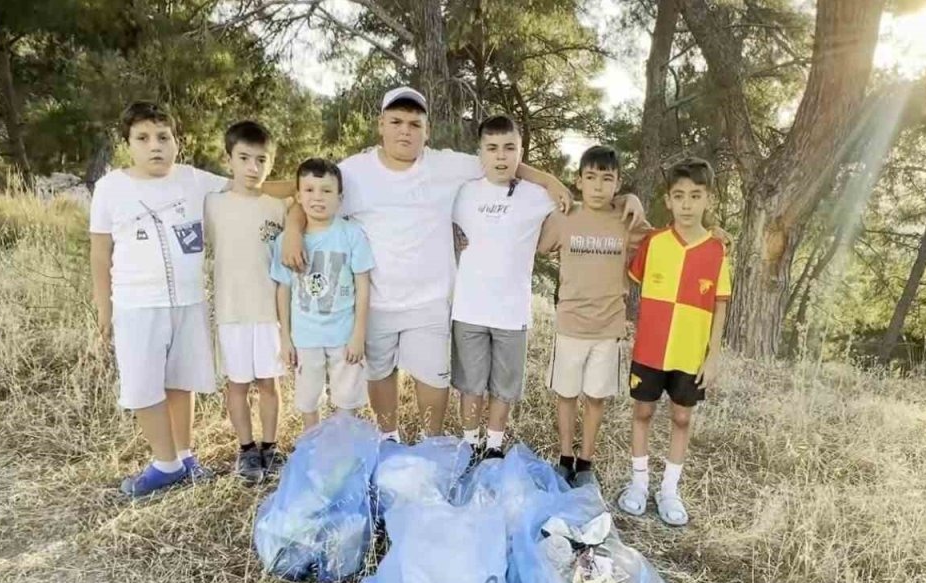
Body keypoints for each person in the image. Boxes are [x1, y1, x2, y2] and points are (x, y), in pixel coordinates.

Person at [281, 87, 642, 442]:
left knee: (434, 379)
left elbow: (501, 163)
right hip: (376, 298)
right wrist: (293, 230)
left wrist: (552, 180)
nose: (405, 130)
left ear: (427, 130)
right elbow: (311, 193)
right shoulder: (355, 171)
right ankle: (388, 437)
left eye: (414, 123)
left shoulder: (447, 165)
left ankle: (431, 442)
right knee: (379, 373)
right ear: (381, 124)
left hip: (432, 299)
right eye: (396, 121)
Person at [90, 101, 231, 496]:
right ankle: (164, 462)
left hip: (188, 301)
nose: (156, 146)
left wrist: (309, 186)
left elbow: (245, 189)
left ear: (177, 141)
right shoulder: (111, 188)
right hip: (138, 305)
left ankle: (184, 456)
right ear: (128, 144)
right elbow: (100, 253)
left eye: (164, 137)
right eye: (143, 138)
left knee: (179, 380)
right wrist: (105, 309)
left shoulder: (193, 179)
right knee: (143, 385)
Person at [617, 158, 731, 526]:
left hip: (689, 353)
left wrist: (712, 356)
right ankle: (638, 484)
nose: (686, 204)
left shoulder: (717, 250)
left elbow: (720, 306)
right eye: (679, 196)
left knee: (682, 418)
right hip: (650, 348)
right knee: (643, 412)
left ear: (707, 200)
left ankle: (669, 490)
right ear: (668, 200)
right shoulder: (655, 243)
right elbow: (628, 279)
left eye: (695, 196)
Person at [536, 145, 650, 489]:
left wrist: (636, 201)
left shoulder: (627, 221)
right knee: (567, 395)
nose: (598, 186)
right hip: (570, 324)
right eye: (591, 178)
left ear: (617, 184)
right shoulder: (564, 218)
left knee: (595, 398)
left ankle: (586, 460)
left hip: (607, 327)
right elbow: (533, 243)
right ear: (579, 181)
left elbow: (666, 241)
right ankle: (565, 457)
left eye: (607, 179)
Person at [449, 115, 556, 459]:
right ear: (480, 152)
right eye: (492, 148)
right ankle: (469, 442)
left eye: (510, 148)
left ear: (520, 152)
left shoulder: (537, 196)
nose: (501, 156)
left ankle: (493, 446)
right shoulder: (462, 191)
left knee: (503, 388)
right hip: (468, 308)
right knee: (470, 384)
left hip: (512, 312)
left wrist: (633, 203)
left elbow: (576, 207)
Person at [206, 120, 289, 484]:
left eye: (261, 160)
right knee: (237, 385)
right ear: (229, 160)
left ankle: (271, 446)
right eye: (244, 158)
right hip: (231, 310)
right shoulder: (213, 203)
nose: (253, 168)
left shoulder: (277, 207)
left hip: (268, 311)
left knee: (269, 383)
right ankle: (246, 449)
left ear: (270, 163)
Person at [270, 158, 376, 429]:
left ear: (340, 198)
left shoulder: (351, 234)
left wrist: (358, 335)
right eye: (309, 190)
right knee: (308, 399)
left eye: (326, 191)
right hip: (305, 337)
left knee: (347, 399)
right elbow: (284, 289)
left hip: (344, 334)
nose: (318, 197)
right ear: (298, 196)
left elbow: (363, 284)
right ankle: (312, 446)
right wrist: (285, 338)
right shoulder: (286, 242)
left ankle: (344, 447)